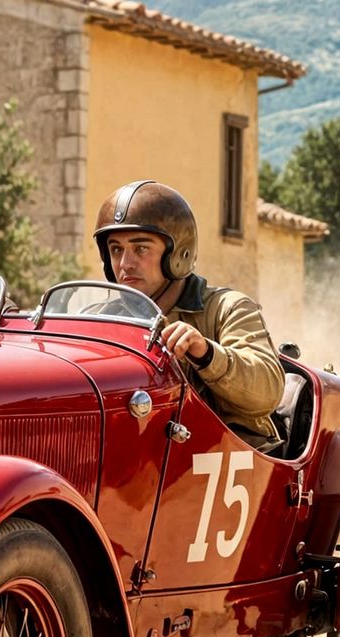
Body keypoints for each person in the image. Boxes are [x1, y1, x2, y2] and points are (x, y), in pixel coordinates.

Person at [93, 179, 284, 447]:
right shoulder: (99, 320)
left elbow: (267, 391)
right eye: (116, 249)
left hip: (226, 460)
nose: (125, 263)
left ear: (177, 255)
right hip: (138, 461)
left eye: (141, 248)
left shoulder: (227, 308)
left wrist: (206, 352)